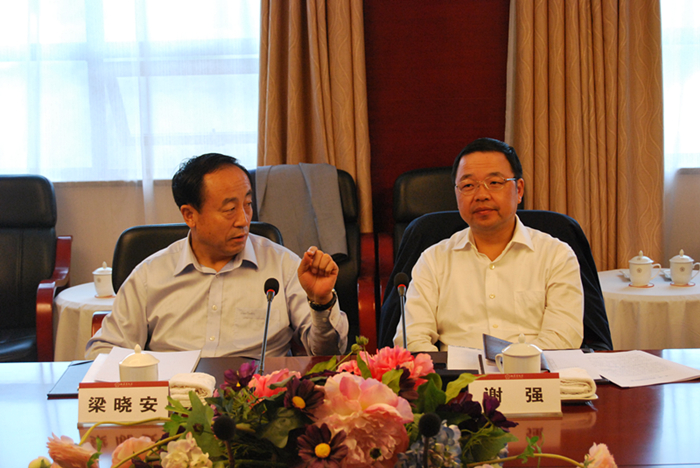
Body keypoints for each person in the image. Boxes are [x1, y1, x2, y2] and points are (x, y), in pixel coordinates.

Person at [86, 154, 348, 359]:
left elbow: (328, 353)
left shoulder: (283, 266)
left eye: (247, 205)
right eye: (230, 209)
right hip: (174, 400)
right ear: (190, 215)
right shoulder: (149, 275)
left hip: (257, 400)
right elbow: (104, 351)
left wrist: (321, 303)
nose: (244, 220)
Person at [394, 138, 583, 351]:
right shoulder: (433, 260)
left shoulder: (556, 256)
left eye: (494, 183)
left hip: (534, 369)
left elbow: (563, 338)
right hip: (454, 371)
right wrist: (439, 370)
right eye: (468, 185)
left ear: (519, 190)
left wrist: (514, 364)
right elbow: (411, 338)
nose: (481, 195)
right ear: (456, 194)